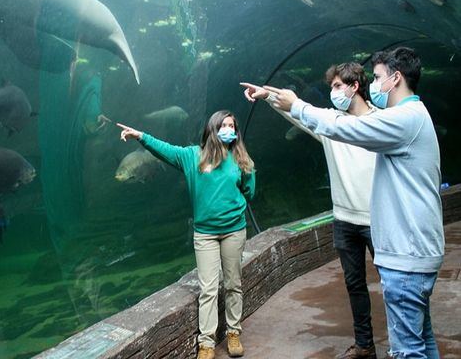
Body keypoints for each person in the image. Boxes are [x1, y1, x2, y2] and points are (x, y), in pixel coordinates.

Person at [258, 47, 444, 359]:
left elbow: (348, 127)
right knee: (422, 342)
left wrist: (299, 105)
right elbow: (336, 123)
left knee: (408, 351)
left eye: (379, 77)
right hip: (412, 253)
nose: (375, 83)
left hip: (407, 257)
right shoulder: (414, 115)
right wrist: (280, 101)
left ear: (396, 79)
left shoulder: (402, 119)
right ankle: (364, 343)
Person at [241, 62, 379, 359]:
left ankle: (406, 344)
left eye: (338, 86)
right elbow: (298, 115)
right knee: (354, 284)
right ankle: (364, 344)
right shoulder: (329, 123)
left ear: (355, 86)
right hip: (344, 219)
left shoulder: (382, 123)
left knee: (394, 283)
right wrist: (267, 96)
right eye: (331, 87)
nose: (332, 92)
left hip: (378, 218)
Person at [118, 111, 255, 359]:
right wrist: (141, 136)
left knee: (234, 283)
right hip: (205, 234)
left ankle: (234, 333)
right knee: (209, 289)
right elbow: (165, 150)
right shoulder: (193, 156)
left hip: (234, 230)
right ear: (212, 129)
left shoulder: (240, 157)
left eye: (232, 126)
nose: (228, 129)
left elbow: (249, 190)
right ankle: (207, 343)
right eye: (223, 125)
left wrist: (233, 207)